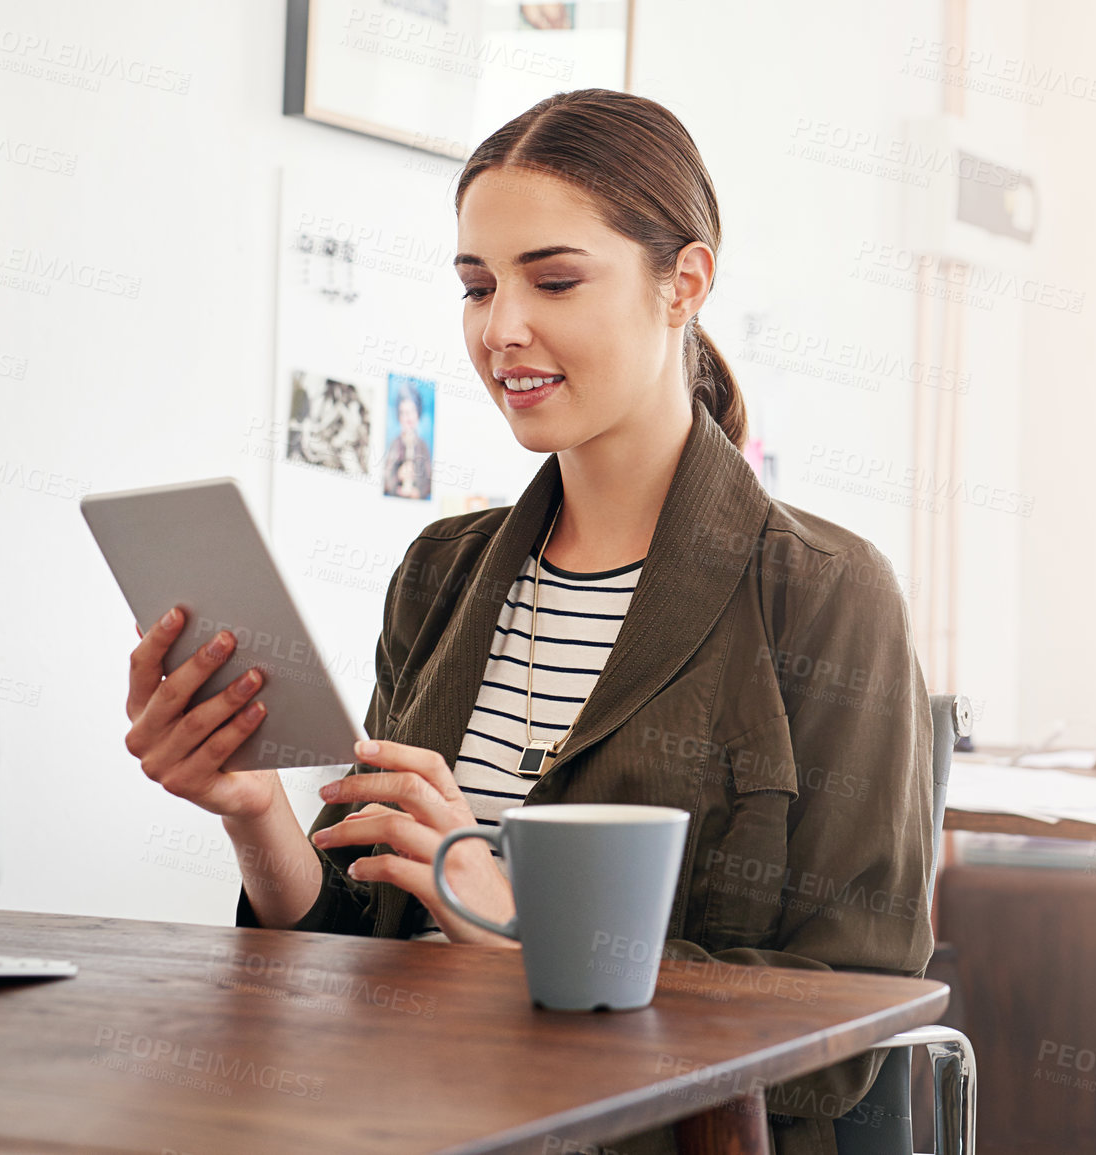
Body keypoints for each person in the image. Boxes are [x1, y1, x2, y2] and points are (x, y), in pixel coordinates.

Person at [121, 88, 934, 1155]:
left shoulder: (827, 592)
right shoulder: (440, 575)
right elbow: (350, 939)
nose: (502, 329)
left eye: (553, 279)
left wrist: (517, 926)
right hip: (426, 1117)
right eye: (476, 286)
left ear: (683, 282)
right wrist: (254, 811)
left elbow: (842, 1021)